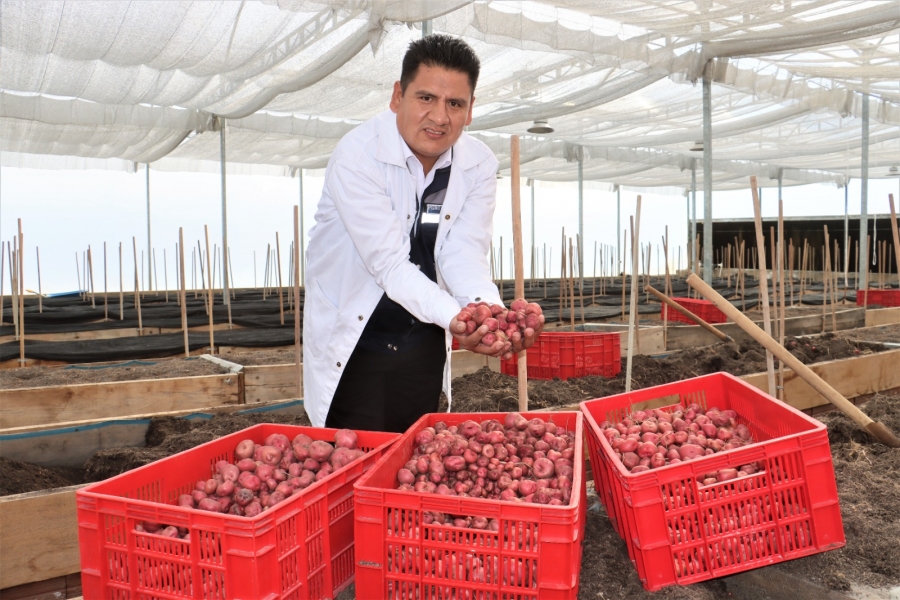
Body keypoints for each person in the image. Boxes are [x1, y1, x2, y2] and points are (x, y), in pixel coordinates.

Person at [302, 34, 543, 432]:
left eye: (455, 103)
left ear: (470, 111)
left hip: (422, 335)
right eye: (425, 98)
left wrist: (490, 314)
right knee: (352, 454)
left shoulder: (477, 163)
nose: (439, 117)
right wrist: (462, 321)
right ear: (398, 96)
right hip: (358, 334)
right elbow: (390, 265)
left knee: (414, 450)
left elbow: (463, 253)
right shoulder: (358, 156)